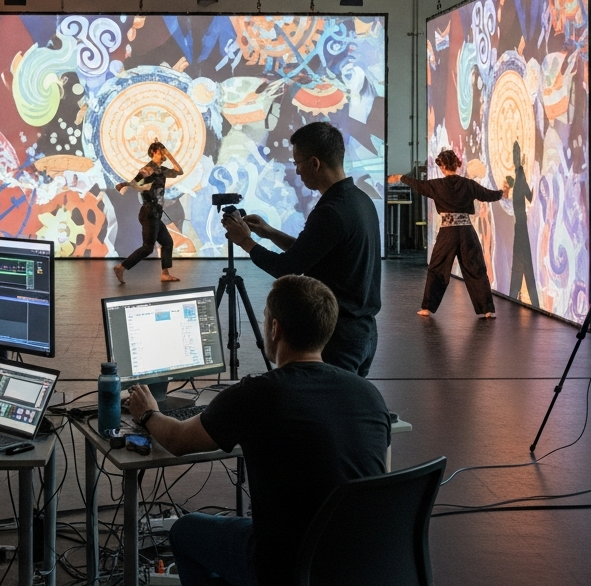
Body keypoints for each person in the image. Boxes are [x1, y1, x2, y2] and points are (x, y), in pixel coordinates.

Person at [124, 275, 391, 586]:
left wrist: (147, 413)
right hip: (364, 562)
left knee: (185, 531)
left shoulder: (258, 394)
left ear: (275, 328)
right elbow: (379, 479)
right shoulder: (369, 394)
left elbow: (178, 440)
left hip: (286, 566)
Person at [220, 121, 381, 375]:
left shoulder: (331, 211)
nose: (296, 170)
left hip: (339, 338)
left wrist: (245, 241)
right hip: (363, 332)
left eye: (298, 163)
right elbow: (312, 252)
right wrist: (270, 232)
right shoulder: (358, 200)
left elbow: (286, 268)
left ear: (315, 163)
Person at [392, 148, 507, 318]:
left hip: (448, 233)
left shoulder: (437, 185)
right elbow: (487, 195)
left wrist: (400, 177)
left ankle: (427, 308)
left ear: (444, 166)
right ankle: (487, 310)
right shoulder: (468, 184)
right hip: (467, 232)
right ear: (456, 165)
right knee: (475, 268)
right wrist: (502, 193)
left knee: (438, 268)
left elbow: (419, 185)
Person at [114, 141, 185, 285]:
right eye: (160, 151)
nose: (163, 153)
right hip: (148, 212)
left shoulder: (162, 170)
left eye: (163, 151)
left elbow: (179, 171)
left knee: (167, 242)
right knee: (147, 247)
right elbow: (135, 182)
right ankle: (121, 267)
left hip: (156, 214)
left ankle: (165, 274)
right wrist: (125, 184)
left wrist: (169, 154)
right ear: (153, 153)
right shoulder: (148, 169)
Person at [506, 142, 541, 308]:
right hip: (521, 227)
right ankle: (530, 301)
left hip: (520, 226)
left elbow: (527, 195)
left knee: (520, 266)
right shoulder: (519, 174)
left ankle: (516, 297)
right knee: (524, 265)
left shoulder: (518, 175)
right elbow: (529, 195)